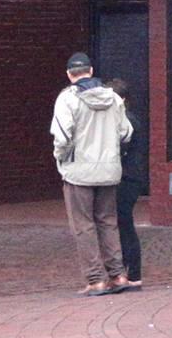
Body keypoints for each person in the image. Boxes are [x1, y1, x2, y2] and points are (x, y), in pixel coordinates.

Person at [50, 52, 133, 296]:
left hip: (78, 172)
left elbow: (62, 137)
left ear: (69, 74)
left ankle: (96, 280)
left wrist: (61, 158)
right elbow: (126, 132)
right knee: (108, 222)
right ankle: (118, 275)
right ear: (91, 71)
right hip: (109, 170)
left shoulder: (67, 99)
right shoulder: (114, 98)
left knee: (83, 226)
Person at [106, 78, 147, 289]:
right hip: (130, 176)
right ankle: (129, 272)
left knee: (123, 224)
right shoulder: (128, 118)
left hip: (127, 177)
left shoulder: (127, 120)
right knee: (123, 223)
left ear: (121, 99)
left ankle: (132, 273)